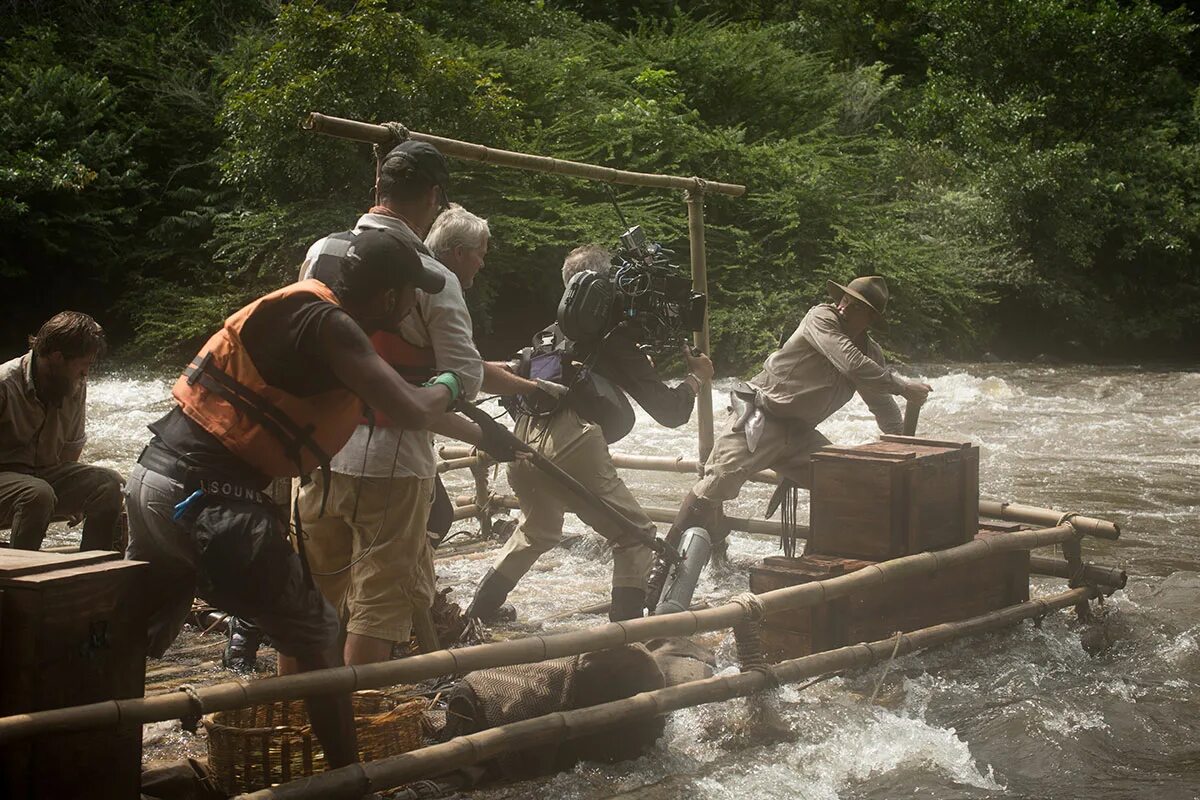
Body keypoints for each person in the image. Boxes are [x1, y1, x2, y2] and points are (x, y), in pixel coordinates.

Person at [124, 228, 478, 768]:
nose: (415, 303)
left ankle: (101, 742)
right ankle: (348, 778)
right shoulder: (331, 325)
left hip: (157, 480)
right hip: (206, 499)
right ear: (390, 298)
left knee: (139, 629)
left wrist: (486, 430)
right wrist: (455, 381)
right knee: (316, 631)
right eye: (412, 293)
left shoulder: (321, 322)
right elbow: (408, 407)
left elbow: (391, 395)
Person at [297, 148, 539, 668]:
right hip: (393, 460)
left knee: (312, 604)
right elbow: (466, 375)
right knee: (378, 609)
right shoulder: (433, 277)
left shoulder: (321, 251)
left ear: (378, 189)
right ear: (433, 198)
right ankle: (362, 728)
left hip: (318, 449)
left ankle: (297, 725)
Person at [467, 244, 715, 623]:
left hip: (524, 441)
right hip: (573, 443)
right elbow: (671, 412)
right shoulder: (614, 340)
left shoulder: (547, 336)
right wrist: (697, 378)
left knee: (536, 529)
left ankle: (477, 613)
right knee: (634, 537)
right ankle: (623, 644)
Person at [660, 275, 932, 570]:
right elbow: (850, 362)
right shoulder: (821, 318)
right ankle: (661, 564)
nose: (843, 306)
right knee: (717, 482)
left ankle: (815, 563)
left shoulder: (871, 354)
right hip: (761, 416)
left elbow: (883, 407)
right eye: (844, 299)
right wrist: (905, 387)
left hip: (801, 434)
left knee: (841, 482)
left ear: (870, 317)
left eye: (854, 305)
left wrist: (904, 449)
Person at [0, 312, 122, 551]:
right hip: (10, 483)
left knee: (110, 484)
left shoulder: (74, 384)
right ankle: (20, 581)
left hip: (42, 478)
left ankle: (93, 571)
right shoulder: (4, 385)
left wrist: (77, 494)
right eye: (83, 366)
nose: (86, 374)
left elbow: (69, 450)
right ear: (57, 358)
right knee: (37, 494)